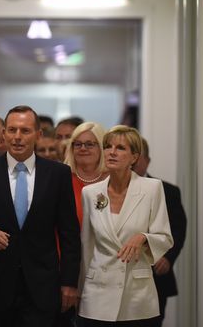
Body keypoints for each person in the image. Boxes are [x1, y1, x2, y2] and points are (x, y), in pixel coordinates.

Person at [0, 105, 81, 327]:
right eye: (12, 130)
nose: (17, 137)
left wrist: (69, 283)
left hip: (42, 288)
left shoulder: (58, 174)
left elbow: (69, 233)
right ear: (4, 134)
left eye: (25, 131)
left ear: (39, 135)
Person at [78, 125, 173, 327]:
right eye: (108, 146)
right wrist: (80, 289)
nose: (112, 152)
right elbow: (87, 245)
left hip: (136, 296)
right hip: (97, 294)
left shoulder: (152, 188)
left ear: (134, 157)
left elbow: (165, 237)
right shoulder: (90, 192)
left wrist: (143, 238)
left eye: (120, 148)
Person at [132, 137, 187, 327]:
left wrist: (168, 257)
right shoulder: (108, 190)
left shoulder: (168, 191)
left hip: (156, 273)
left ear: (146, 160)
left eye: (136, 157)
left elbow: (178, 229)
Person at [64, 122, 108, 227]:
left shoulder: (113, 180)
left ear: (102, 147)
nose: (83, 148)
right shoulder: (62, 179)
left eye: (89, 144)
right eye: (78, 144)